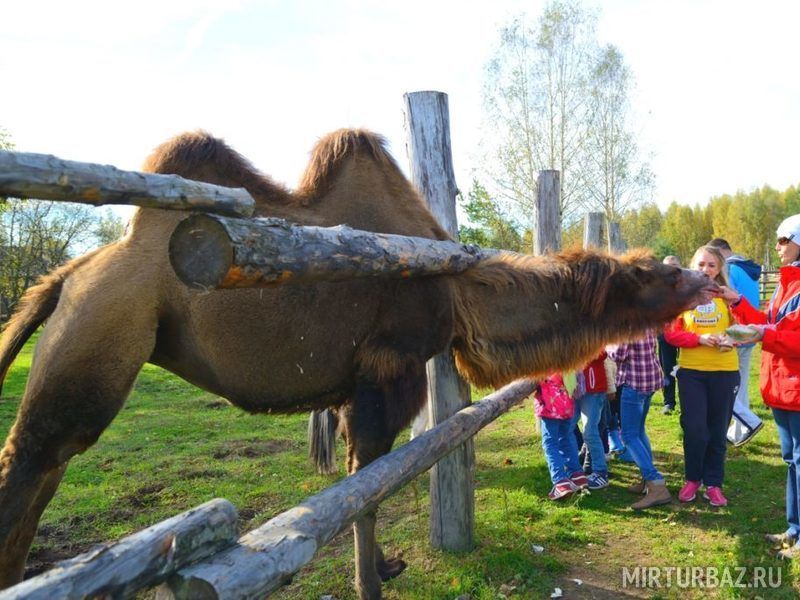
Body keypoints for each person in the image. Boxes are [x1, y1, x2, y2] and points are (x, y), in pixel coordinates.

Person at [720, 214, 800, 558]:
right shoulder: (786, 283)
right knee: (791, 460)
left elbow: (788, 337)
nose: (778, 245)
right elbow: (767, 323)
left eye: (784, 239)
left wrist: (764, 333)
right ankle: (794, 528)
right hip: (782, 386)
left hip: (795, 387)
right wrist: (736, 301)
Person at [665, 245, 739, 507]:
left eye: (711, 265)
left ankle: (714, 484)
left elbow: (747, 330)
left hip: (725, 372)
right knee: (695, 429)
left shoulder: (728, 296)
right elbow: (671, 334)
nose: (705, 269)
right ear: (692, 265)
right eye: (701, 264)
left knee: (718, 432)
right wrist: (699, 339)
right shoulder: (682, 298)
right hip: (692, 374)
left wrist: (731, 339)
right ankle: (692, 479)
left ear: (719, 269)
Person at [708, 237, 764, 446]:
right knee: (741, 383)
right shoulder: (747, 269)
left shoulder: (730, 270)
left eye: (714, 259)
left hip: (733, 334)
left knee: (727, 384)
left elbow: (723, 302)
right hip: (749, 331)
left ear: (721, 252)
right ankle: (740, 428)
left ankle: (748, 423)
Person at [607, 330, 670, 509]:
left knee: (628, 436)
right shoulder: (643, 317)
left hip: (633, 384)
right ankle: (647, 480)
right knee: (639, 431)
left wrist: (605, 344)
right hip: (648, 380)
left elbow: (618, 354)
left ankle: (655, 482)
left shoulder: (625, 323)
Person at [534, 373, 588, 500]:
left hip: (549, 407)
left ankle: (560, 482)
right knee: (567, 438)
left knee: (550, 444)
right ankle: (577, 475)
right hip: (567, 404)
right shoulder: (566, 360)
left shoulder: (544, 362)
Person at [573, 351, 612, 490]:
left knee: (590, 432)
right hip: (573, 387)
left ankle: (601, 472)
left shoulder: (592, 332)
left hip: (593, 390)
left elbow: (602, 354)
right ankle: (572, 469)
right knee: (566, 429)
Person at [659, 255, 682, 415]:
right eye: (667, 266)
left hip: (687, 332)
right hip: (665, 333)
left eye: (674, 265)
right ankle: (669, 402)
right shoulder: (657, 289)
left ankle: (688, 400)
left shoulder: (687, 286)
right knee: (667, 367)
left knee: (687, 367)